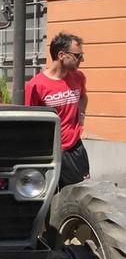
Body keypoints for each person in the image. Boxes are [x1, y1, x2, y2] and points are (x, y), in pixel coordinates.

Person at [25, 32, 89, 189]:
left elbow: (83, 97)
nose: (82, 60)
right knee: (48, 199)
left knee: (81, 195)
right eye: (78, 55)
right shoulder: (36, 86)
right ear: (61, 55)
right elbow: (29, 121)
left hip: (74, 148)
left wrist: (81, 116)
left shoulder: (78, 77)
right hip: (48, 152)